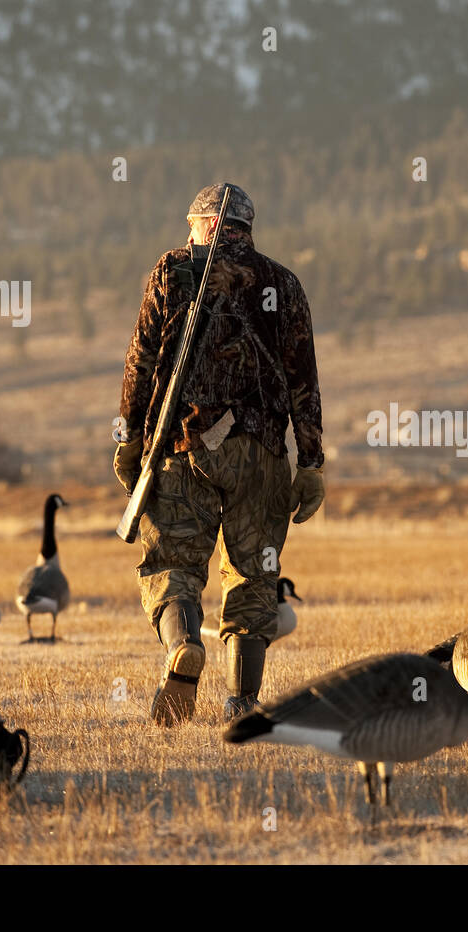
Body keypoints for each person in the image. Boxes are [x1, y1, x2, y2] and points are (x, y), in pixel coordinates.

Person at [115, 182, 324, 726]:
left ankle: (184, 647)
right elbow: (305, 380)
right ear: (246, 230)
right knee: (254, 577)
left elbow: (140, 361)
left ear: (200, 225)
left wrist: (130, 438)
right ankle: (242, 701)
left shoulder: (171, 270)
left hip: (183, 448)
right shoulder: (283, 282)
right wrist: (311, 462)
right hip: (261, 454)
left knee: (175, 566)